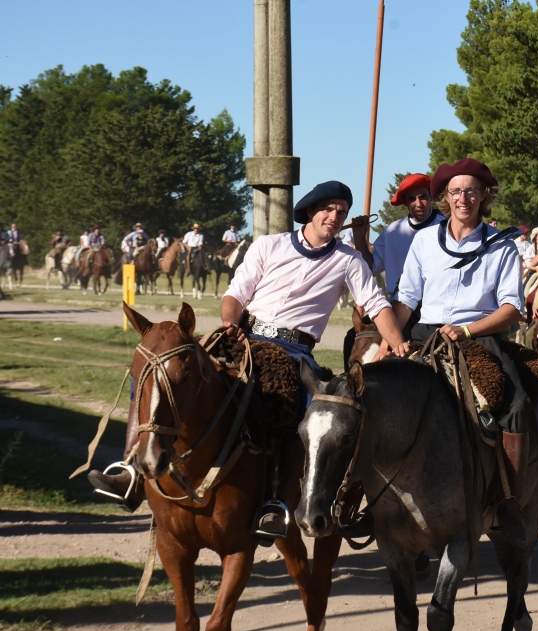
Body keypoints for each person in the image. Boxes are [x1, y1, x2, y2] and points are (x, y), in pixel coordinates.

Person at [89, 180, 410, 536]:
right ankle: (131, 469)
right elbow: (236, 293)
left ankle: (278, 502)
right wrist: (230, 322)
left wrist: (396, 343)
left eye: (341, 212)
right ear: (310, 211)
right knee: (157, 371)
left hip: (294, 352)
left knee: (304, 415)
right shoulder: (269, 245)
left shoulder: (348, 259)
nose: (334, 217)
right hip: (242, 335)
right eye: (327, 209)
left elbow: (377, 305)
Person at [393, 158, 530, 547]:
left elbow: (511, 308)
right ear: (444, 198)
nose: (463, 198)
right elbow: (406, 298)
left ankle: (508, 505)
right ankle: (364, 499)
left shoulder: (502, 244)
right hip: (424, 333)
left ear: (484, 195)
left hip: (478, 336)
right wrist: (390, 338)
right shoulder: (424, 241)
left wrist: (468, 329)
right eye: (455, 191)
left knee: (516, 404)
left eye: (471, 190)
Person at [352, 172, 447, 357]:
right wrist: (359, 238)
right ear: (405, 202)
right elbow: (370, 267)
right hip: (398, 309)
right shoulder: (393, 231)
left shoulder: (447, 226)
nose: (419, 204)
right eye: (412, 199)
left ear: (431, 198)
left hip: (434, 310)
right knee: (353, 339)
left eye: (423, 197)